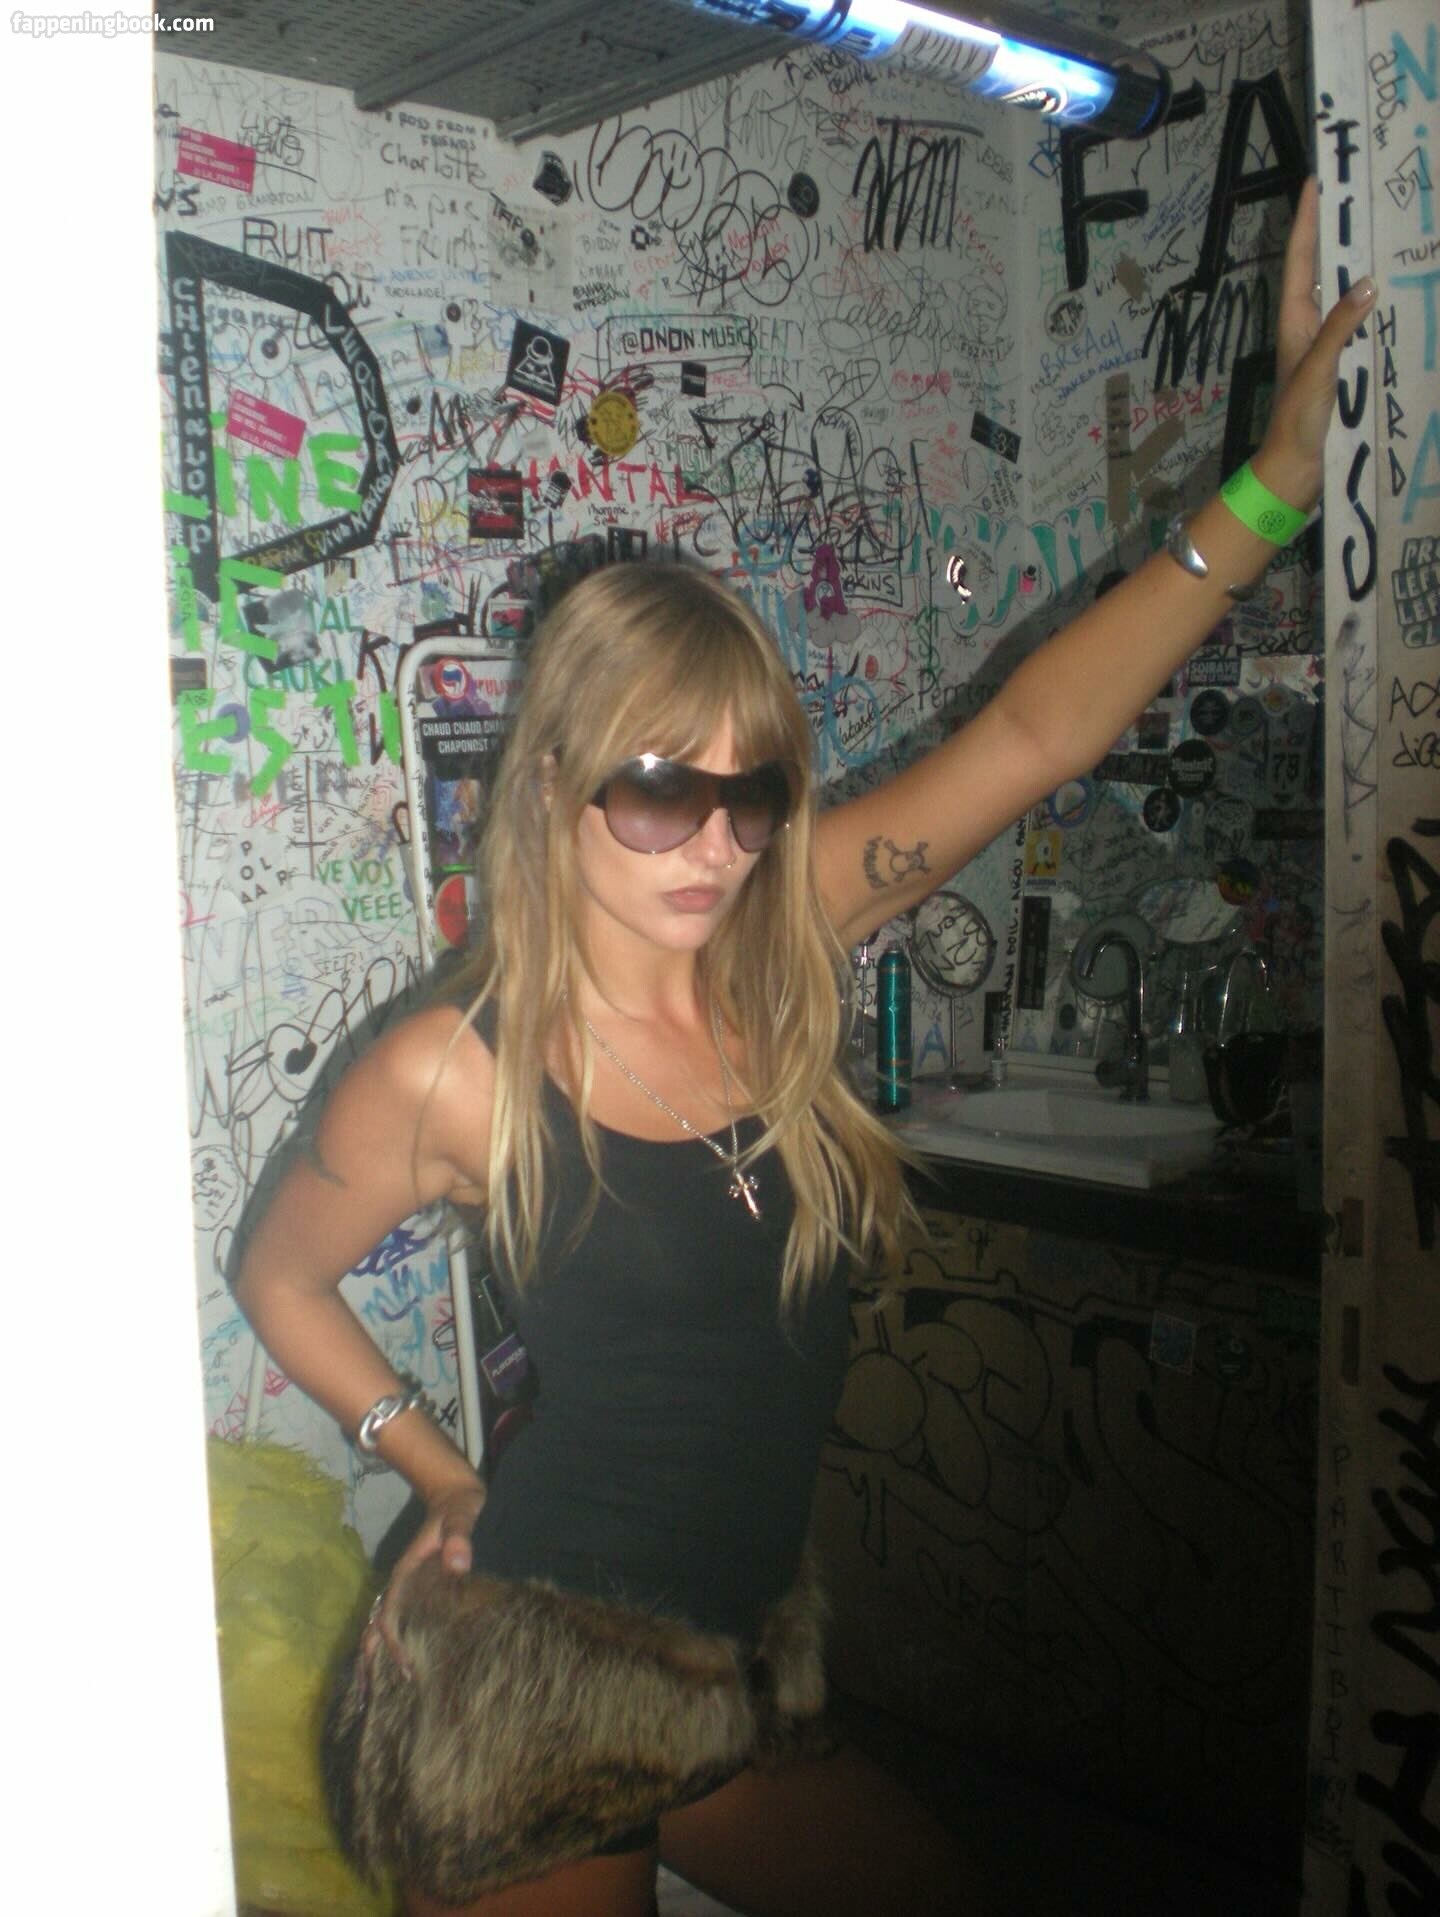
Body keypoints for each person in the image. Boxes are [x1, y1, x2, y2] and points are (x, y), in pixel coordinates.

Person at [233, 181, 1373, 1917]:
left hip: (744, 1652)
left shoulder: (778, 945)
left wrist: (1275, 484)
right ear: (553, 786)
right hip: (535, 1681)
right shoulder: (456, 1067)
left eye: (750, 787)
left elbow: (1038, 734)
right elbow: (276, 1271)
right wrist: (440, 1468)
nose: (716, 841)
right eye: (657, 790)